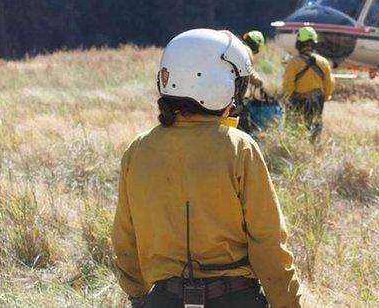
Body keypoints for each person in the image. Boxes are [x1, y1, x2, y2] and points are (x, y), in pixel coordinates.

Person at [112, 29, 302, 308]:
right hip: (236, 299)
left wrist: (140, 297)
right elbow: (268, 243)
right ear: (217, 86)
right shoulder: (239, 148)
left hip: (163, 300)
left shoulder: (137, 151)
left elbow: (125, 241)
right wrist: (288, 304)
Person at [282, 27, 334, 142]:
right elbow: (329, 84)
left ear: (299, 43)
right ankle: (313, 149)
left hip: (298, 101)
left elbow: (288, 85)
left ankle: (295, 149)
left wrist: (287, 98)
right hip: (318, 100)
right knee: (315, 128)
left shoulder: (293, 63)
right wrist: (325, 97)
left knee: (294, 129)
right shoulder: (323, 62)